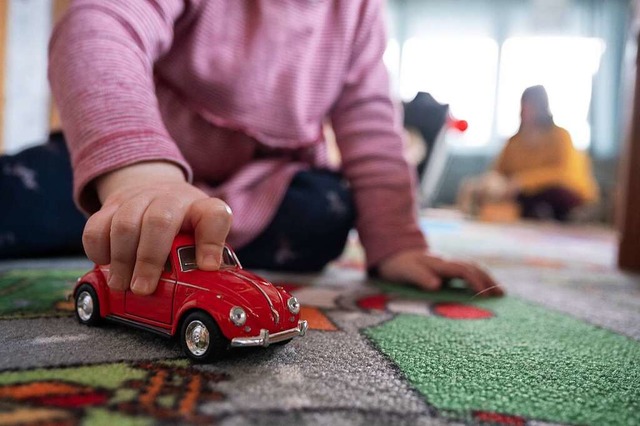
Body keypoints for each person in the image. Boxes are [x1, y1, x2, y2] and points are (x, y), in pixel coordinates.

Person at [8, 0, 502, 297]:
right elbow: (100, 27)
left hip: (256, 186)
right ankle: (129, 222)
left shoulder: (358, 12)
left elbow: (371, 122)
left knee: (328, 210)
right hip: (130, 168)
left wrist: (398, 242)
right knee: (22, 193)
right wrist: (140, 176)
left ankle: (162, 234)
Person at [493, 85, 599, 221]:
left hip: (566, 193)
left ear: (542, 106)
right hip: (526, 195)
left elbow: (562, 173)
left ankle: (564, 215)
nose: (527, 109)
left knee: (553, 194)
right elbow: (499, 172)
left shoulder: (560, 136)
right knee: (516, 196)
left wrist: (523, 182)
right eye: (524, 105)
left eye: (531, 105)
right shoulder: (514, 141)